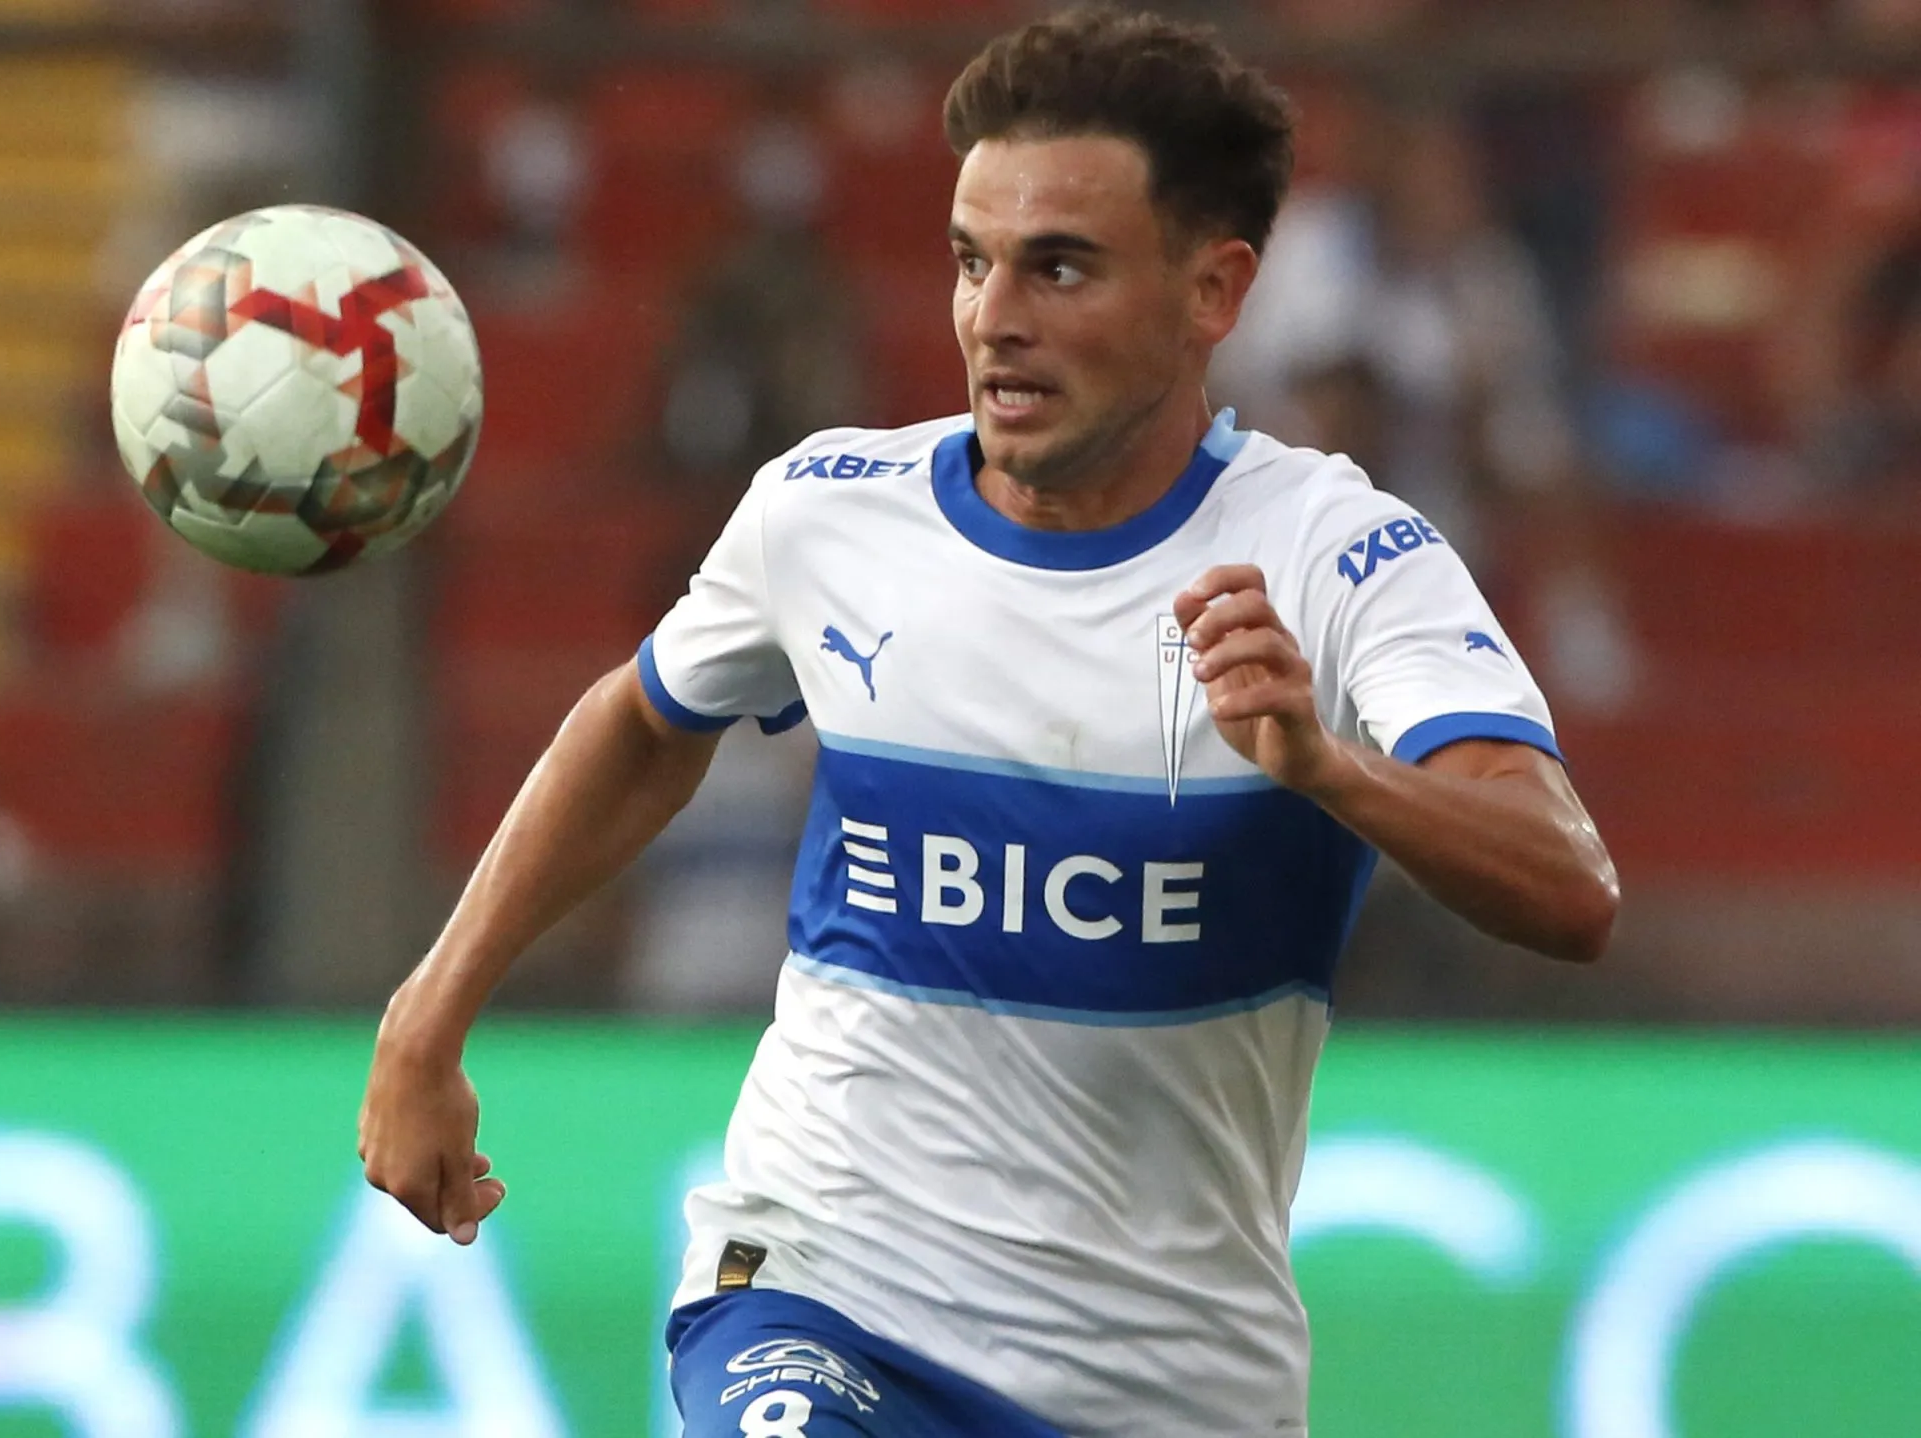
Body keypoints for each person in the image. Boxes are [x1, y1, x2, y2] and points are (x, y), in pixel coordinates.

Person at [360, 9, 1619, 1435]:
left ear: (1215, 291)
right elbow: (645, 722)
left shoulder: (1335, 554)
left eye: (1060, 266)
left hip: (1166, 1381)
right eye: (973, 259)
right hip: (824, 1288)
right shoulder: (828, 511)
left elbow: (1569, 884)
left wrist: (1328, 769)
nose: (993, 315)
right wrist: (429, 1015)